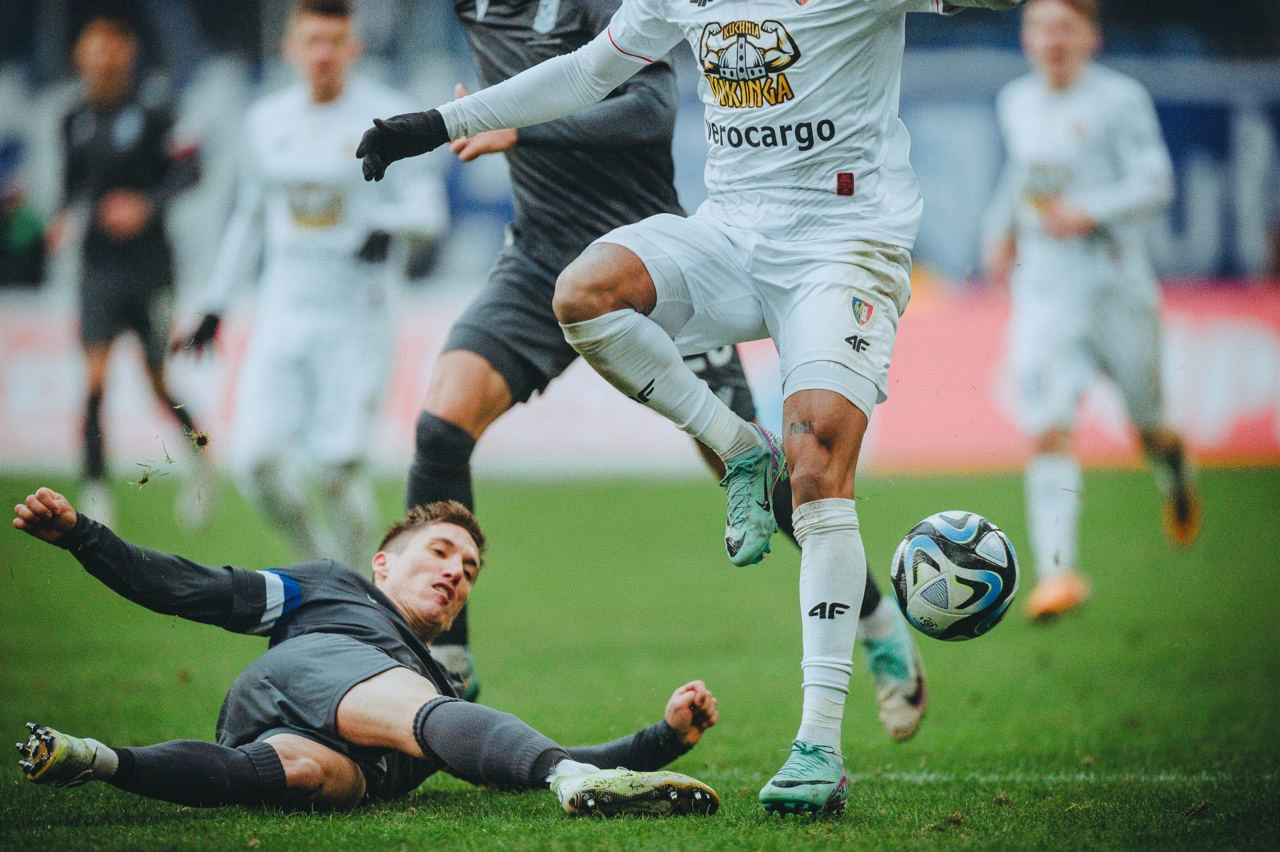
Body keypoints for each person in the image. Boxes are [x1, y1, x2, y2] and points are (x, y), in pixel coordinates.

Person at [357, 0, 1022, 818]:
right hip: (723, 236)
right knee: (580, 298)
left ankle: (819, 742)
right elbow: (588, 71)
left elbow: (638, 103)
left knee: (813, 473)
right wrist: (434, 124)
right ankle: (737, 447)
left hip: (842, 244)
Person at [11, 486, 720, 816]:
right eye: (439, 551)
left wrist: (664, 738)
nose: (455, 572)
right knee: (423, 707)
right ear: (383, 564)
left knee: (315, 776)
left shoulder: (442, 691)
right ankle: (568, 783)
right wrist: (83, 537)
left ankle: (94, 760)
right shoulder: (330, 587)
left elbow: (511, 764)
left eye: (469, 570)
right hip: (305, 675)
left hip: (307, 746)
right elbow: (193, 588)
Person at [177, 0, 448, 568]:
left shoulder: (388, 118)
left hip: (358, 317)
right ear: (291, 48)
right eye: (313, 41)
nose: (324, 54)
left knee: (335, 470)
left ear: (355, 48)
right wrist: (215, 304)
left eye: (335, 41)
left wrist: (387, 224)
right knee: (254, 461)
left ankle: (358, 589)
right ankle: (320, 559)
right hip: (283, 313)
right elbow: (250, 217)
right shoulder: (266, 121)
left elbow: (429, 211)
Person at [981, 0, 1200, 621]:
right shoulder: (1016, 101)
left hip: (1115, 287)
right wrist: (998, 230)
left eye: (1064, 28)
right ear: (1025, 38)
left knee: (1148, 425)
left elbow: (1155, 181)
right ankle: (1058, 573)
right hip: (1045, 291)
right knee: (1048, 424)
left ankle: (1175, 466)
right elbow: (1022, 177)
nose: (1051, 40)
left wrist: (1090, 210)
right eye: (1039, 27)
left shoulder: (1119, 100)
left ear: (1090, 37)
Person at [52, 13, 207, 528]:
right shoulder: (73, 118)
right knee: (94, 379)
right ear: (80, 55)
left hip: (150, 268)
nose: (102, 57)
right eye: (93, 47)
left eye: (111, 46)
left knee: (157, 382)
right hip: (98, 267)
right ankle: (95, 488)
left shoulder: (156, 110)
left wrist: (147, 205)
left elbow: (192, 169)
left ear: (128, 51)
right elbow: (73, 185)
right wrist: (61, 216)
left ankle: (202, 457)